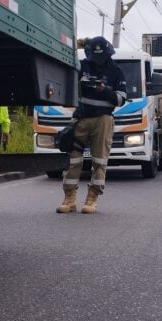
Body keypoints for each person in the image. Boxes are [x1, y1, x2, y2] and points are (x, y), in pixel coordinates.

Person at [56, 36, 126, 214]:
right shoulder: (83, 66)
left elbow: (120, 99)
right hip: (81, 118)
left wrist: (105, 90)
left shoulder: (116, 72)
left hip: (103, 120)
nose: (96, 61)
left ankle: (92, 198)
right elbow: (70, 87)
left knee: (99, 161)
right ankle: (69, 198)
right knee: (73, 159)